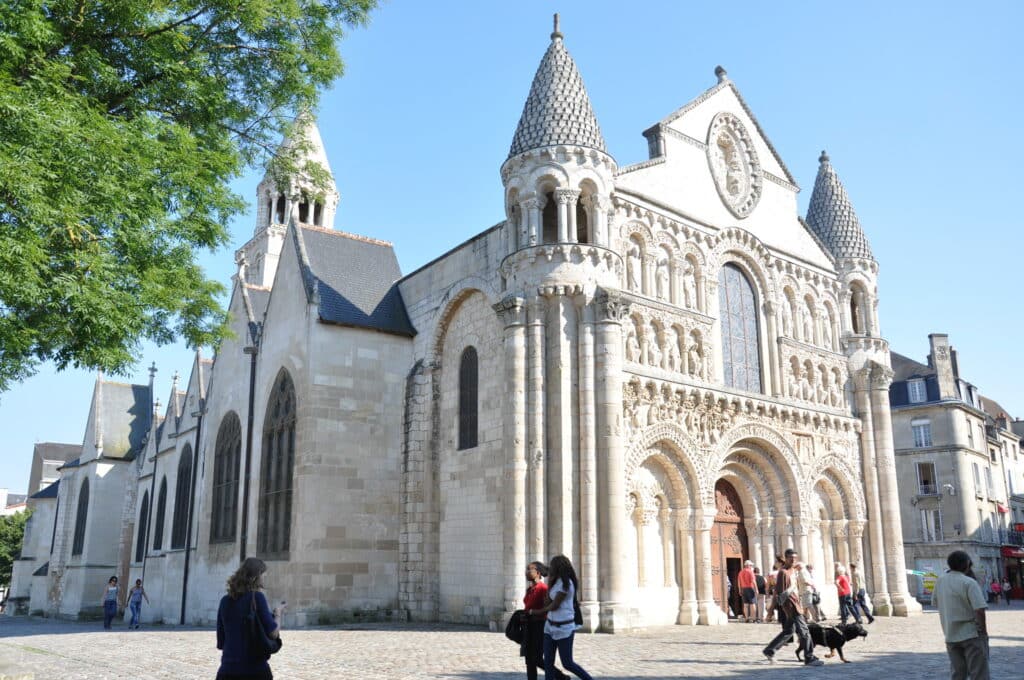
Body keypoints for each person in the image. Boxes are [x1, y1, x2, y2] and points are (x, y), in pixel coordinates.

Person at [526, 554, 593, 680]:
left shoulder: (566, 584)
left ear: (559, 567)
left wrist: (535, 612)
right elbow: (547, 601)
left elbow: (554, 606)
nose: (550, 569)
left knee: (567, 663)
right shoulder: (555, 582)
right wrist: (550, 584)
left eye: (553, 566)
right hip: (550, 626)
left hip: (564, 628)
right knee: (548, 662)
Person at [216, 557, 284, 680]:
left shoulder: (224, 601)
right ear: (255, 577)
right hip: (254, 670)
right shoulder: (257, 597)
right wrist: (278, 614)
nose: (264, 578)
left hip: (227, 671)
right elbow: (273, 633)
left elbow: (221, 642)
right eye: (263, 575)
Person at [933, 550, 989, 680]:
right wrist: (983, 631)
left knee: (958, 673)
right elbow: (979, 610)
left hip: (950, 633)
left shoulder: (940, 581)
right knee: (978, 673)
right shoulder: (969, 582)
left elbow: (936, 602)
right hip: (971, 633)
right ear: (967, 563)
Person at [762, 549, 823, 666]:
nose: (793, 560)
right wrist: (770, 612)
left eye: (795, 558)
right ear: (786, 558)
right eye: (791, 558)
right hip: (791, 606)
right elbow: (777, 593)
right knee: (805, 631)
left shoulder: (793, 571)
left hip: (796, 604)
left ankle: (769, 650)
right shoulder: (783, 573)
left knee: (789, 631)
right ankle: (809, 657)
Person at [521, 561, 568, 680]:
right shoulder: (530, 589)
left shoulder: (543, 589)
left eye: (529, 570)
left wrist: (534, 613)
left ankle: (560, 676)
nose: (526, 572)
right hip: (529, 625)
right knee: (529, 658)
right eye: (526, 570)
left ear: (538, 573)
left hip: (539, 625)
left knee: (536, 658)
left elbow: (547, 607)